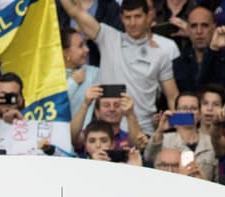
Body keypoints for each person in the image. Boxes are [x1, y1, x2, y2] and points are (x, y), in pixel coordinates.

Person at [58, 0, 178, 135]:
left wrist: (181, 134)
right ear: (121, 18)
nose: (132, 23)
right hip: (105, 133)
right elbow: (75, 12)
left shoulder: (160, 54)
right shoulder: (108, 37)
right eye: (128, 17)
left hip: (142, 132)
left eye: (137, 16)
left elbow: (173, 97)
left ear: (148, 17)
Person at [0, 73, 73, 157]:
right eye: (1, 96)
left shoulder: (40, 128)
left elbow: (66, 158)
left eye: (11, 96)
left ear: (20, 99)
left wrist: (22, 124)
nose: (6, 101)